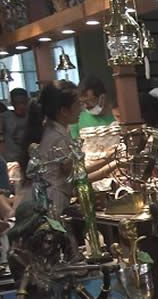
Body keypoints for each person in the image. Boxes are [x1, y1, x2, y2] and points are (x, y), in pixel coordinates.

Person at [24, 83, 115, 215]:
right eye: (78, 105)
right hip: (53, 201)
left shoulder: (56, 131)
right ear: (64, 111)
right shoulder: (57, 138)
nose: (82, 110)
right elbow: (78, 175)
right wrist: (110, 162)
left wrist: (109, 159)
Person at [2, 88, 29, 184]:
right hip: (11, 163)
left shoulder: (33, 117)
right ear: (12, 103)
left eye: (24, 103)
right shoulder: (4, 118)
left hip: (29, 163)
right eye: (18, 103)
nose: (21, 106)